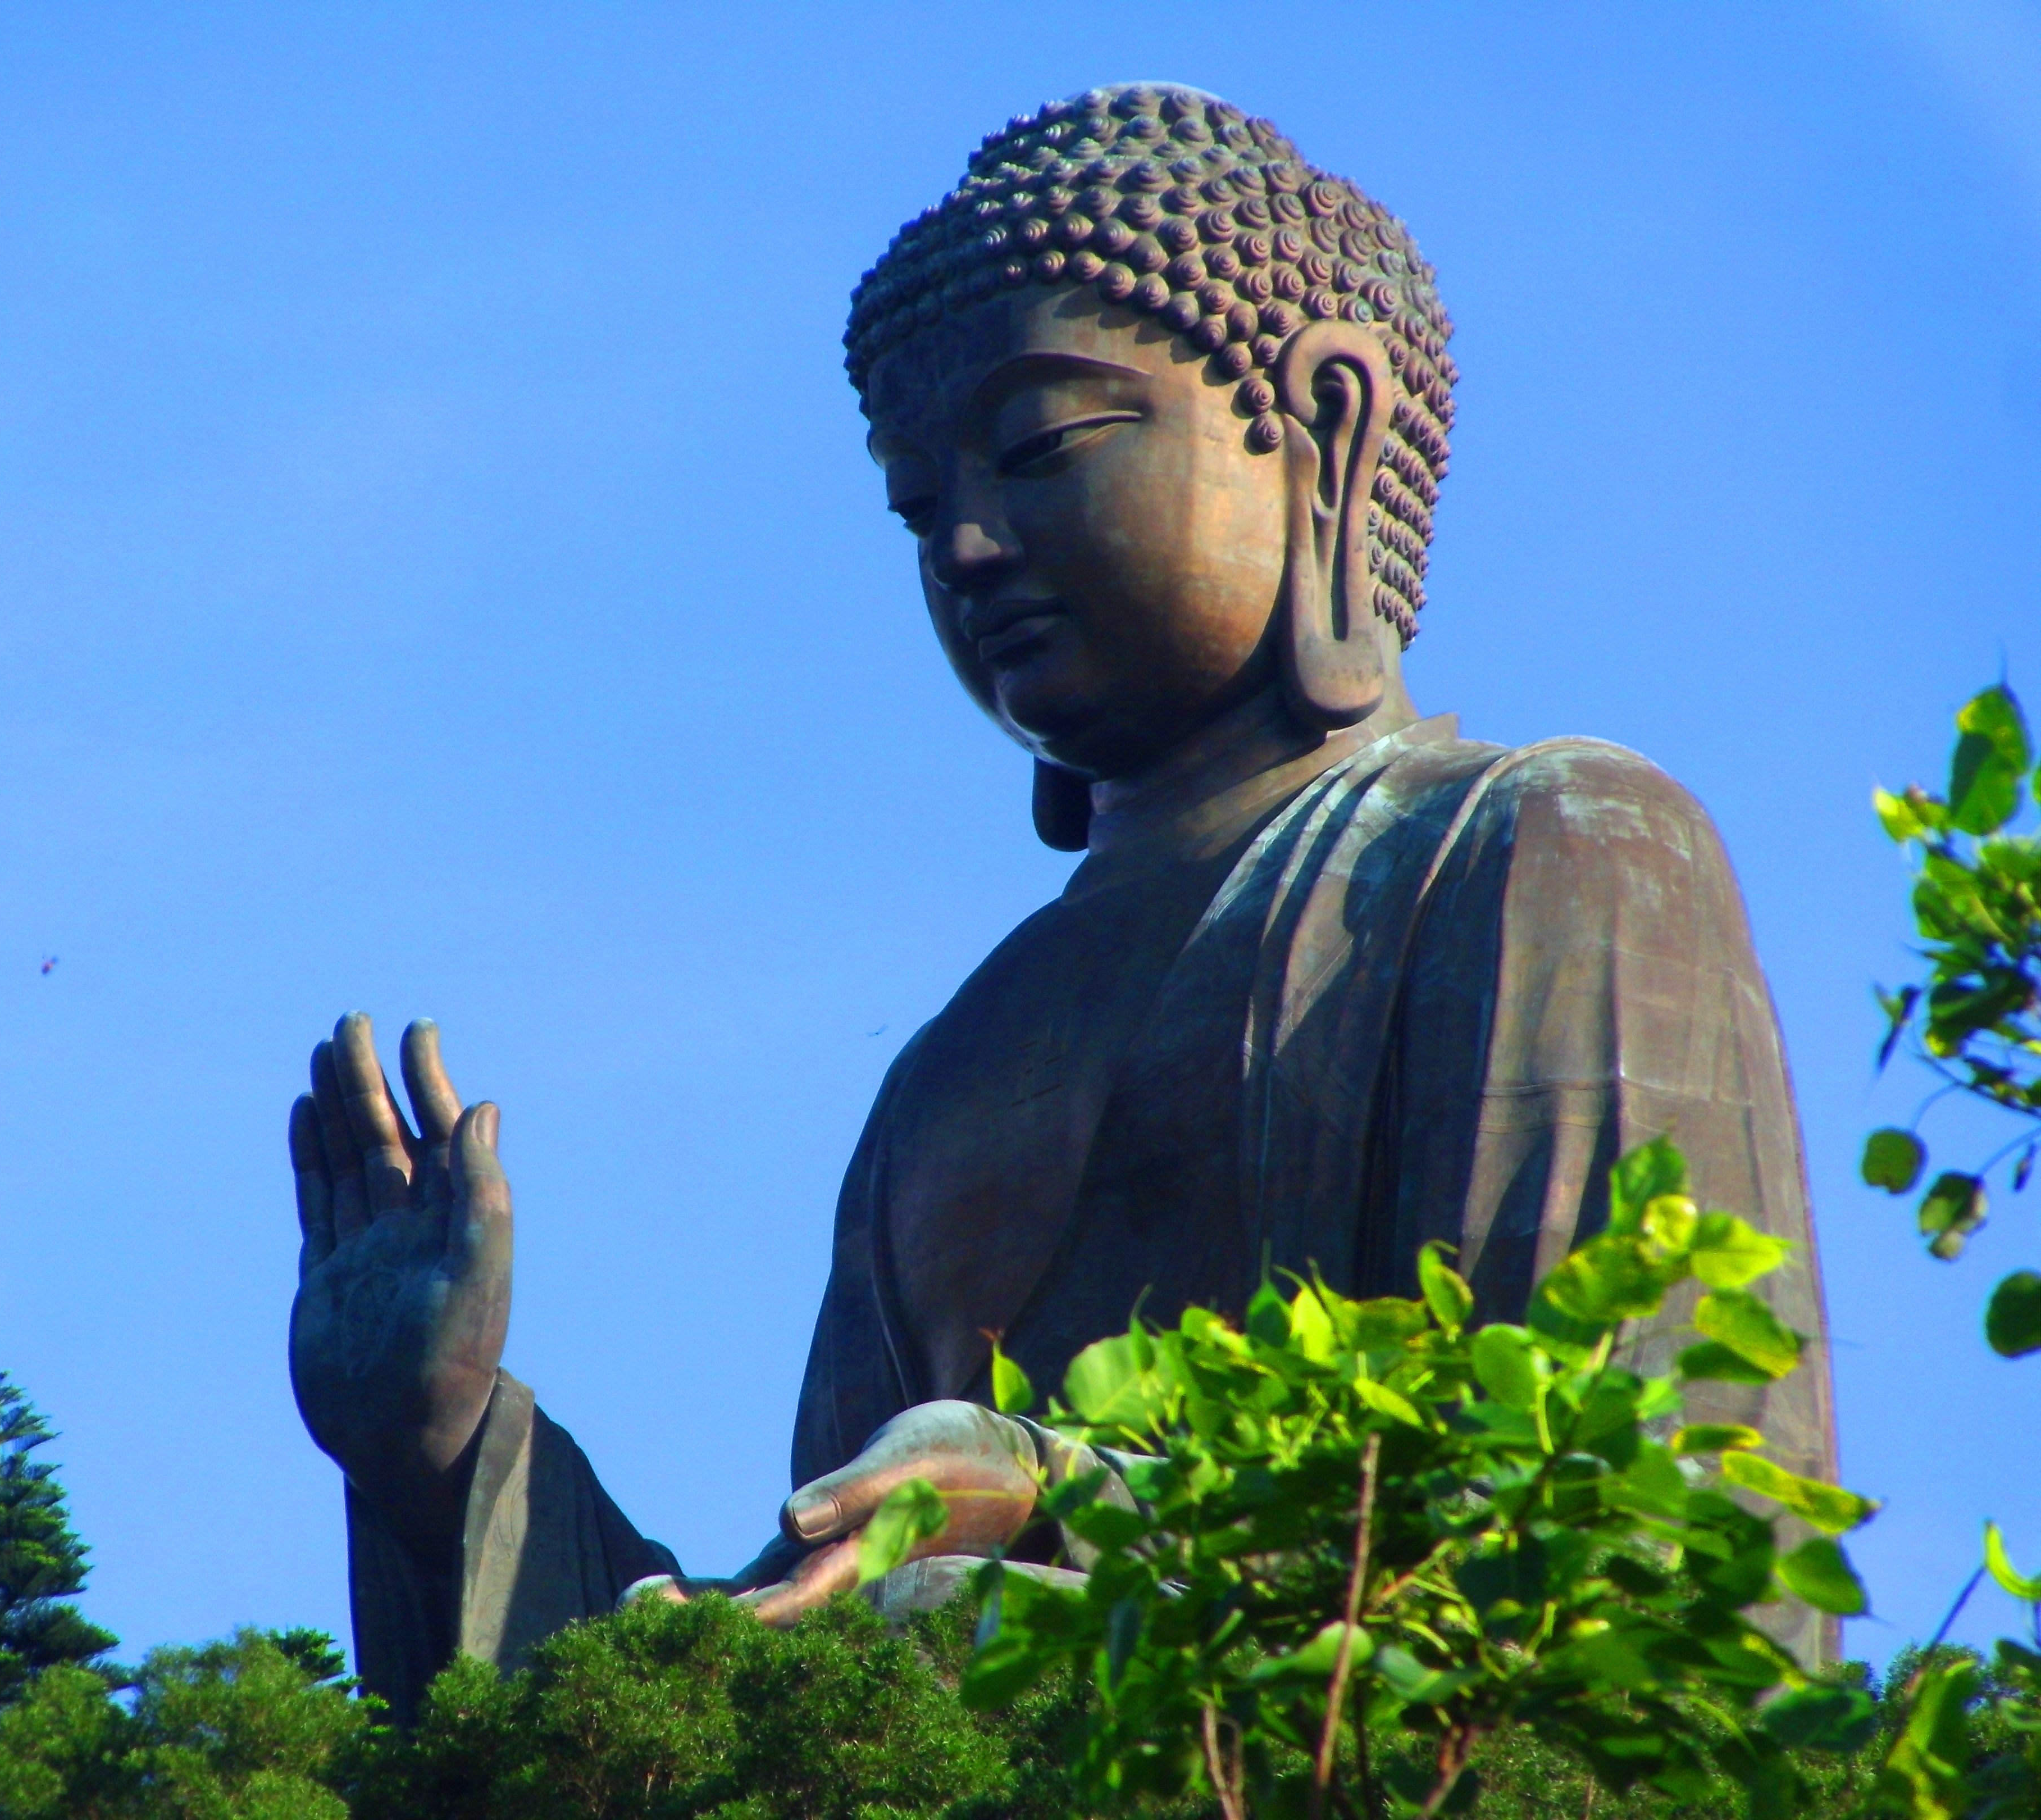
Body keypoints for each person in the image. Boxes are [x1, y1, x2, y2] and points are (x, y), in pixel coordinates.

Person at [284, 84, 1836, 1717]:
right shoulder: (953, 1065)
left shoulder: (1546, 849)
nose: (963, 543)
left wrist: (1057, 1499)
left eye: (1041, 449)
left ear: (1326, 426)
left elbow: (1661, 1550)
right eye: (916, 502)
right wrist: (440, 1456)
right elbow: (783, 1664)